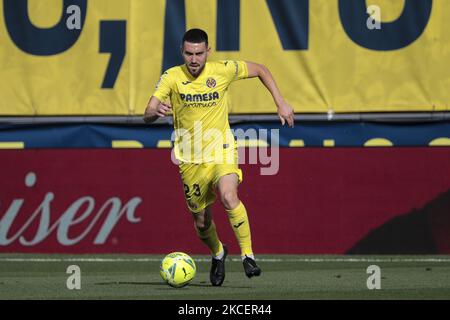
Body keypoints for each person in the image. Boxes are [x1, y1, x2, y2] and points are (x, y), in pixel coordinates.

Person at [144, 28, 294, 286]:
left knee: (228, 195)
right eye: (189, 53)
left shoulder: (222, 70)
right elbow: (147, 112)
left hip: (220, 148)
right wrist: (155, 111)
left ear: (208, 51)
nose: (194, 59)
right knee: (202, 222)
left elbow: (261, 69)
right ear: (182, 52)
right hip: (189, 159)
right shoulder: (171, 77)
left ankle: (248, 255)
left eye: (199, 53)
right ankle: (218, 252)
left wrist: (280, 101)